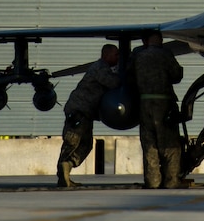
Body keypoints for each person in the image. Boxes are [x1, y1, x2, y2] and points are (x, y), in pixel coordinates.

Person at [56, 44, 121, 188]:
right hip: (79, 110)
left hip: (84, 111)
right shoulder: (100, 68)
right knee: (72, 142)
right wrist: (124, 74)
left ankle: (65, 170)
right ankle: (64, 171)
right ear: (106, 55)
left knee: (85, 145)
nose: (118, 57)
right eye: (116, 55)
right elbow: (113, 83)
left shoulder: (102, 67)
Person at [132, 31, 186, 188]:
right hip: (164, 103)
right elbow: (176, 75)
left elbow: (129, 76)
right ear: (160, 40)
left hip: (144, 103)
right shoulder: (165, 54)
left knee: (149, 143)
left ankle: (152, 181)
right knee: (169, 143)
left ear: (145, 40)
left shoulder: (138, 56)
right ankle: (171, 181)